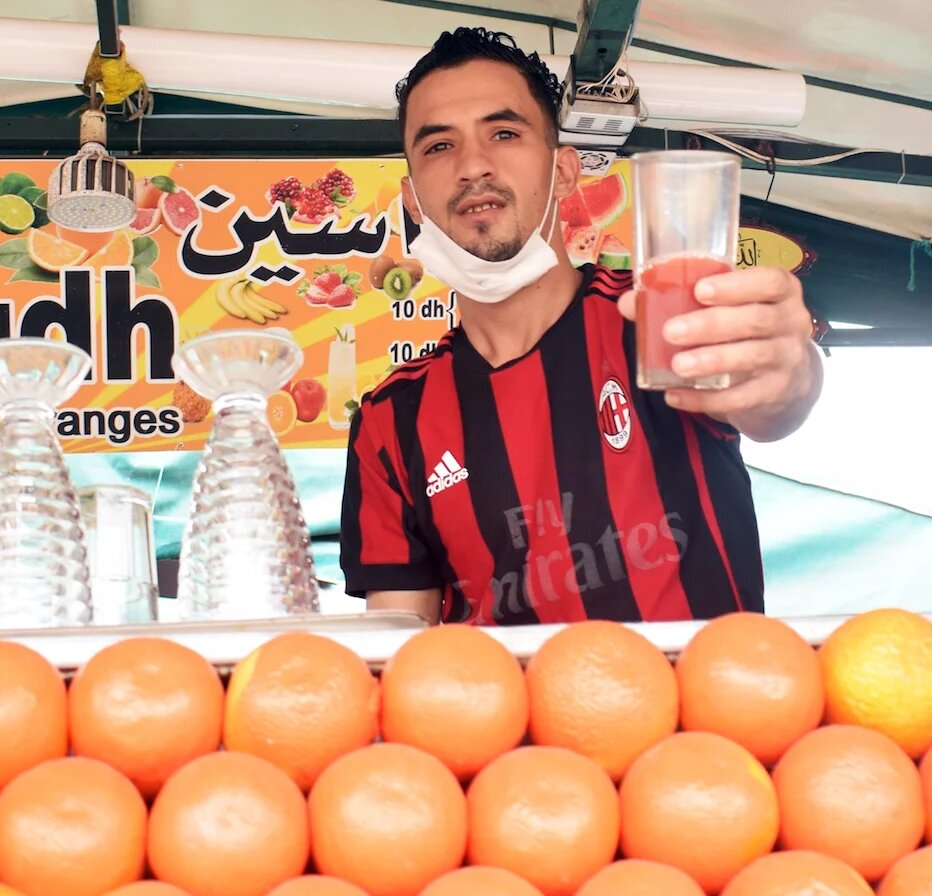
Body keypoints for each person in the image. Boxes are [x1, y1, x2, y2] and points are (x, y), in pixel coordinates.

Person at [339, 27, 822, 626]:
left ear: (565, 172)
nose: (473, 166)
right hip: (499, 720)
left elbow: (775, 402)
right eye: (439, 147)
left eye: (505, 133)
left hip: (707, 712)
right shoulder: (389, 421)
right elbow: (399, 642)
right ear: (413, 200)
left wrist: (792, 370)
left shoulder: (654, 323)